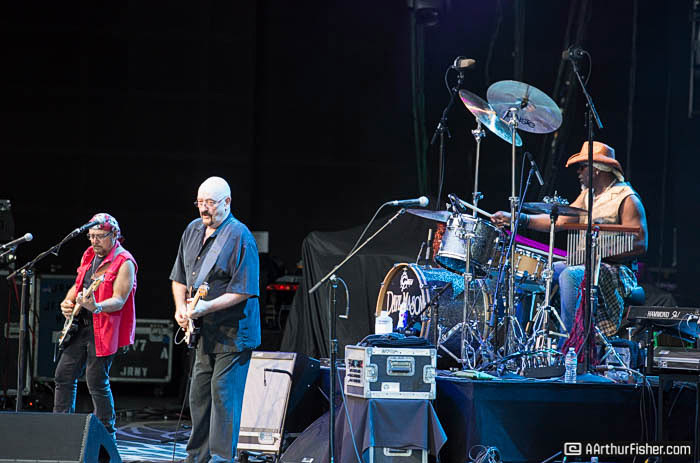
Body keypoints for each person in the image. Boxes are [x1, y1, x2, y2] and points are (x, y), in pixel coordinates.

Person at [491, 141, 648, 340]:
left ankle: (571, 343)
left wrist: (600, 253)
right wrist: (518, 219)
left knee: (570, 275)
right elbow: (559, 221)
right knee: (538, 273)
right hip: (585, 265)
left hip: (615, 270)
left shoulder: (627, 197)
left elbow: (640, 242)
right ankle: (522, 340)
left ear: (597, 169)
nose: (578, 172)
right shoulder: (588, 196)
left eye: (582, 167)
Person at [170, 176, 260, 463]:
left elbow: (244, 290)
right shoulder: (192, 230)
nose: (204, 208)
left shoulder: (240, 236)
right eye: (200, 202)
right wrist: (180, 309)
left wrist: (206, 307)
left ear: (227, 202)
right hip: (203, 333)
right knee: (199, 396)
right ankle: (196, 457)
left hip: (233, 333)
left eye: (210, 202)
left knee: (223, 396)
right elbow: (179, 277)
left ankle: (222, 458)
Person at [54, 213, 137, 440]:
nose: (94, 241)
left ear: (114, 235)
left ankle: (106, 435)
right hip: (80, 326)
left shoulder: (124, 261)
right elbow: (78, 285)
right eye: (91, 236)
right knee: (63, 375)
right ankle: (60, 430)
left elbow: (119, 299)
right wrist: (68, 301)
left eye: (100, 236)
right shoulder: (89, 254)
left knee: (96, 381)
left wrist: (97, 306)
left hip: (104, 329)